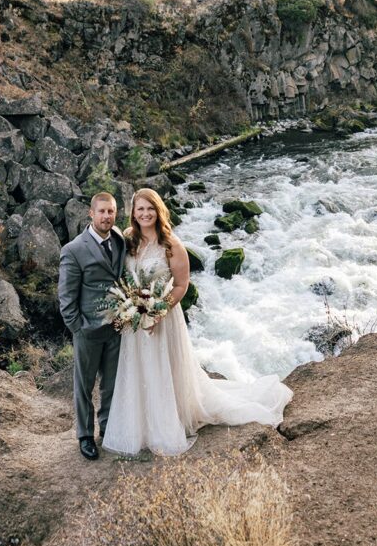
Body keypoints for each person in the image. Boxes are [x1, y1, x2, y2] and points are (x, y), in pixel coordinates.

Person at [102, 187, 293, 456]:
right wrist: (129, 307)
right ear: (133, 212)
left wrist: (157, 310)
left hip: (163, 318)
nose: (145, 213)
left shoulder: (171, 244)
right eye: (140, 208)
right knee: (139, 370)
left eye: (150, 208)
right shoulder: (128, 240)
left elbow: (181, 285)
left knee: (163, 368)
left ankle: (167, 422)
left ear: (158, 211)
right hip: (134, 317)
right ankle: (141, 424)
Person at [57, 191, 126, 461]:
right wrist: (78, 327)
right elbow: (66, 296)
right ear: (91, 213)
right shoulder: (73, 250)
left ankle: (107, 429)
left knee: (111, 384)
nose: (106, 216)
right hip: (87, 330)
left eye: (111, 212)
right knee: (84, 386)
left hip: (117, 328)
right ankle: (85, 435)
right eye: (102, 212)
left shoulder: (119, 240)